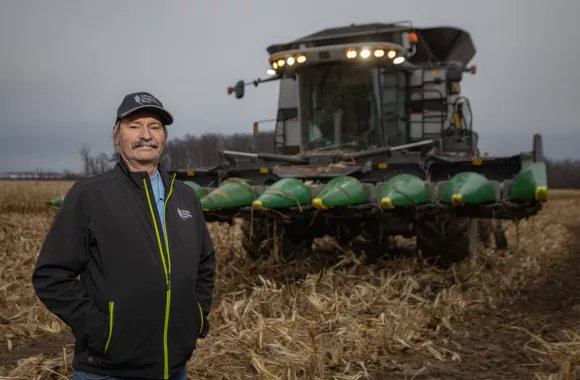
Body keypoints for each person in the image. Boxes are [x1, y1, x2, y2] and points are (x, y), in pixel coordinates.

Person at [32, 92, 216, 380]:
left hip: (174, 368)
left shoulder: (184, 197)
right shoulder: (90, 195)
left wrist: (196, 316)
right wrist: (102, 332)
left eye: (154, 127)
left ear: (164, 137)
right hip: (109, 371)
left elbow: (205, 263)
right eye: (134, 126)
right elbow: (51, 275)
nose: (146, 135)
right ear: (116, 136)